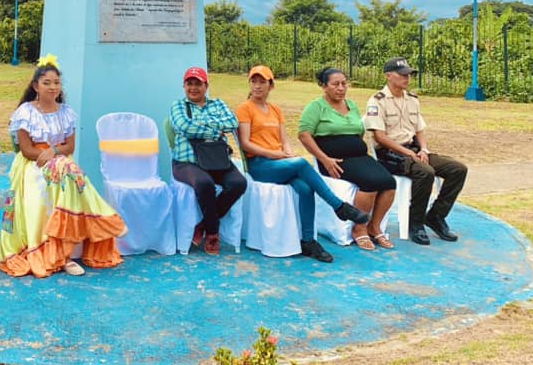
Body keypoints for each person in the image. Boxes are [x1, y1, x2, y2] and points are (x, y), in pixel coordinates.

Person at [0, 55, 127, 278]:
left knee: (71, 176)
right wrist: (48, 155)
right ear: (36, 86)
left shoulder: (66, 112)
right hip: (33, 163)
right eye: (46, 82)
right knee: (51, 183)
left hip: (59, 160)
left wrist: (55, 152)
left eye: (56, 82)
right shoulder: (25, 112)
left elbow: (69, 146)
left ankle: (69, 250)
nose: (52, 87)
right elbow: (26, 150)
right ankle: (98, 224)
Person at [236, 65, 369, 262]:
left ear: (271, 86)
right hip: (260, 165)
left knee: (306, 189)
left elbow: (284, 140)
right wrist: (276, 155)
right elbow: (246, 143)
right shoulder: (245, 108)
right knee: (301, 163)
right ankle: (339, 206)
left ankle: (308, 241)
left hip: (280, 162)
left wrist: (287, 153)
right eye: (253, 81)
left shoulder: (275, 110)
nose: (257, 86)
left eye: (262, 82)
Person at [364, 57, 469, 245]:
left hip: (413, 150)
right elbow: (380, 137)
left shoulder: (412, 100)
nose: (407, 78)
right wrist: (408, 153)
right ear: (388, 76)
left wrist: (424, 149)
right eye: (402, 74)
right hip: (390, 154)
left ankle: (436, 216)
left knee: (458, 169)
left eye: (409, 74)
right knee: (425, 172)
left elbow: (419, 129)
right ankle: (416, 223)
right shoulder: (377, 101)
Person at [297, 67, 397, 251]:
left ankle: (374, 227)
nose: (341, 88)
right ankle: (359, 229)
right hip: (334, 161)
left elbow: (358, 133)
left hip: (359, 157)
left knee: (390, 183)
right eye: (335, 84)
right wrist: (325, 159)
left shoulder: (351, 105)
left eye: (344, 83)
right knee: (371, 182)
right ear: (324, 86)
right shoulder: (316, 107)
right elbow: (304, 134)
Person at [168, 66, 247, 255]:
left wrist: (201, 125)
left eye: (198, 84)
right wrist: (215, 130)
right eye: (189, 84)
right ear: (184, 86)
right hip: (187, 162)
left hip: (216, 160)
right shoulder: (178, 106)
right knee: (205, 183)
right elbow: (184, 127)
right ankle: (212, 234)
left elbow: (232, 122)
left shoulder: (217, 104)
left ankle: (203, 225)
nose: (193, 88)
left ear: (206, 86)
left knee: (239, 183)